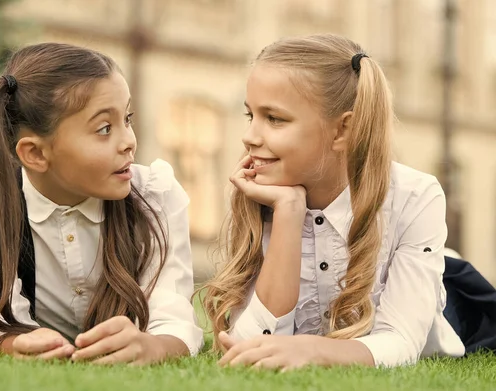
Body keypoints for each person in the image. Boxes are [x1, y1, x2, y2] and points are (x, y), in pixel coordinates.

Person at [200, 34, 495, 369]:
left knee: (451, 286)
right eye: (250, 115)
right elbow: (250, 345)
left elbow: (401, 341)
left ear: (342, 130)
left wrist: (312, 350)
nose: (250, 136)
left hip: (443, 299)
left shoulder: (416, 197)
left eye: (275, 119)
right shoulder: (258, 191)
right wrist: (288, 214)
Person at [0, 42, 203, 364]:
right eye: (104, 128)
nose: (129, 141)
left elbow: (174, 319)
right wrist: (17, 343)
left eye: (126, 119)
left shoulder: (155, 194)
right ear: (36, 154)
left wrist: (153, 346)